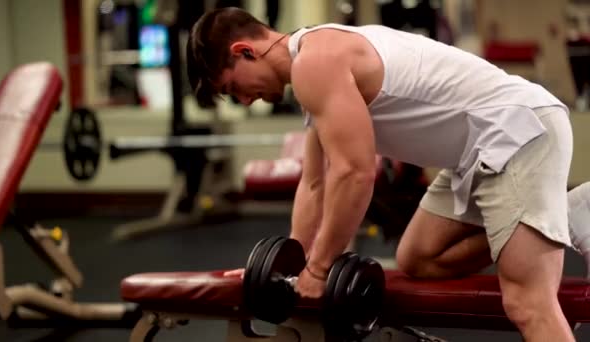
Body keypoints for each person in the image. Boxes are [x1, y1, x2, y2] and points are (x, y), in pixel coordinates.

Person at [186, 7, 590, 341]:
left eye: (233, 87)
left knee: (527, 303)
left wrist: (319, 268)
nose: (244, 99)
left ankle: (542, 221)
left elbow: (356, 175)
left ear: (244, 51)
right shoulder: (313, 59)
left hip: (517, 130)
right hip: (473, 152)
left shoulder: (317, 61)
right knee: (418, 257)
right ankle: (555, 215)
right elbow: (314, 184)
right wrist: (289, 265)